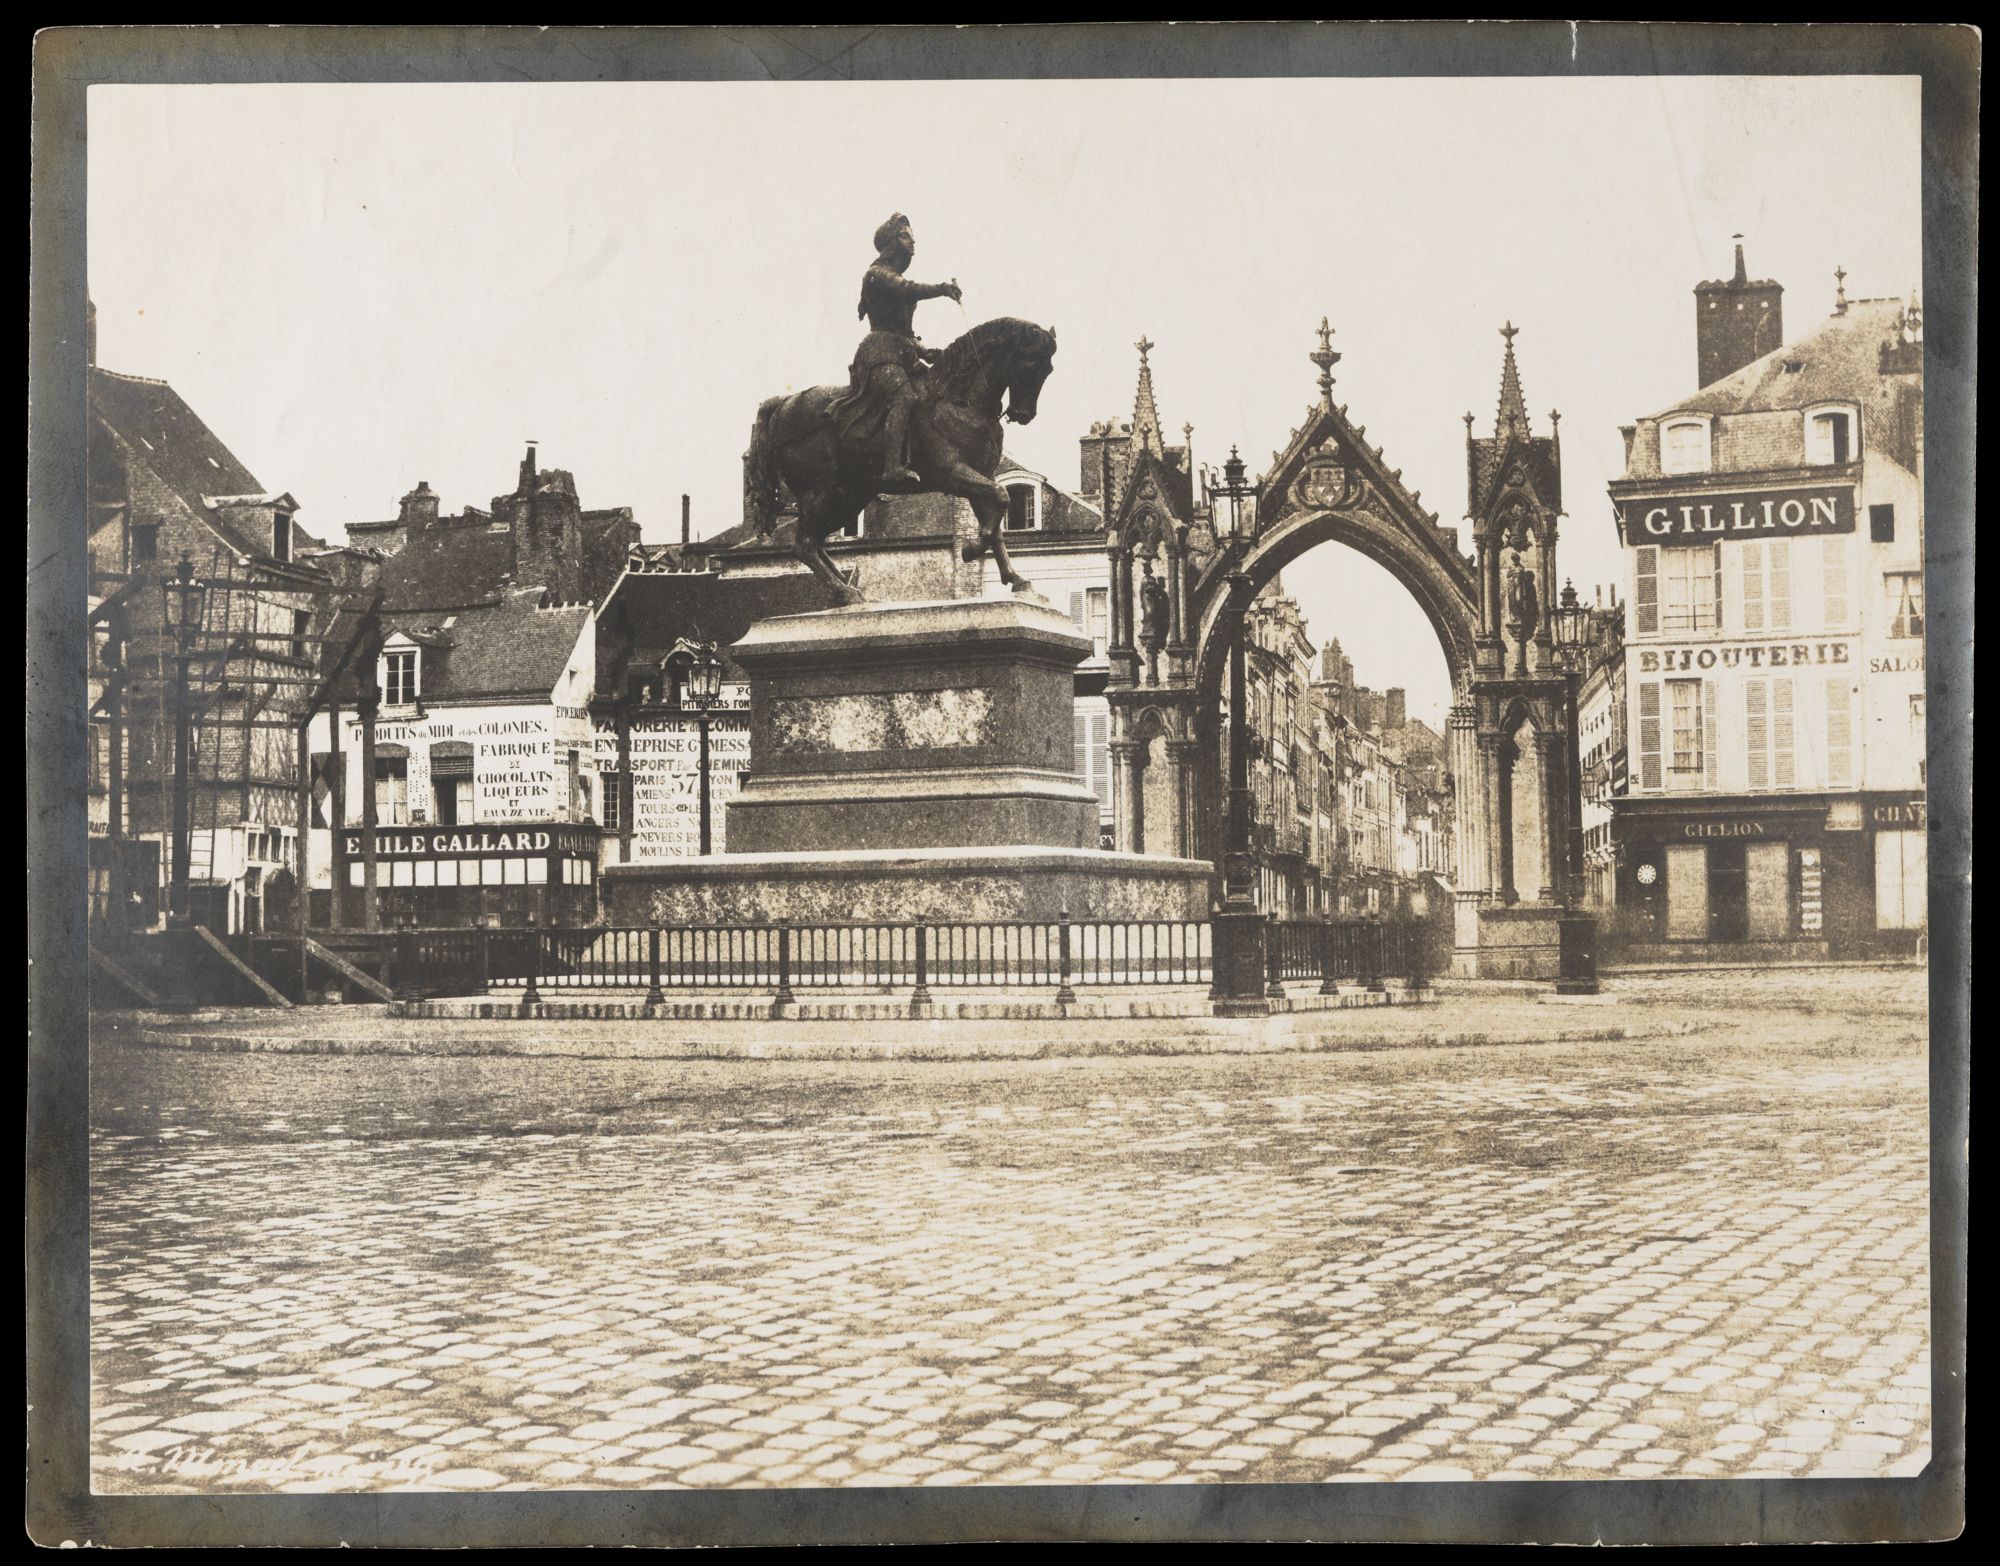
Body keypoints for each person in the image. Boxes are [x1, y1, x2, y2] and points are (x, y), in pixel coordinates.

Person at [828, 214, 962, 490]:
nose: (912, 242)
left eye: (912, 237)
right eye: (904, 236)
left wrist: (927, 352)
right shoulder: (877, 274)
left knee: (931, 394)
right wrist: (942, 289)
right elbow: (907, 290)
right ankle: (891, 468)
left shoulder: (893, 277)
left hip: (902, 354)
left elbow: (905, 332)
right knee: (906, 397)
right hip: (879, 355)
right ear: (890, 243)